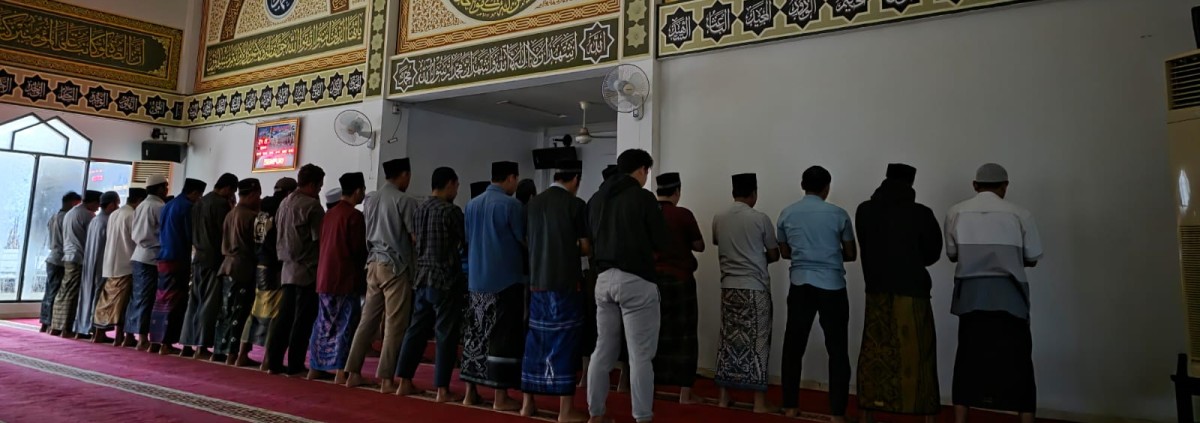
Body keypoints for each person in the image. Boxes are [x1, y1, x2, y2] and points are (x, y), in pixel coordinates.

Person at [944, 163, 1042, 423]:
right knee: (1020, 363)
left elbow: (952, 254)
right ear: (1005, 186)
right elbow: (1032, 257)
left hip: (971, 297)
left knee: (967, 360)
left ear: (975, 185)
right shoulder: (1021, 214)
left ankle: (960, 419)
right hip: (1010, 297)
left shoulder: (955, 212)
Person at [854, 164, 943, 422]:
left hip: (876, 290)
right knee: (919, 355)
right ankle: (923, 411)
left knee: (875, 353)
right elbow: (932, 254)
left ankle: (868, 410)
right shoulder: (921, 213)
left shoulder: (865, 210)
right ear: (910, 184)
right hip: (912, 293)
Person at [587, 149, 667, 423]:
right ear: (642, 170)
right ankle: (642, 416)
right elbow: (661, 240)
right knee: (640, 354)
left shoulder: (597, 199)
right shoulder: (642, 198)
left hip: (603, 280)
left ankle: (596, 414)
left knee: (603, 350)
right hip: (636, 280)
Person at [777, 166, 856, 422]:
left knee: (793, 346)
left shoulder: (787, 213)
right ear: (827, 187)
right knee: (837, 349)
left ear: (803, 185)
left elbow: (785, 252)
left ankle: (790, 406)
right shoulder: (839, 214)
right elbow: (851, 253)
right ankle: (837, 413)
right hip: (832, 285)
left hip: (800, 283)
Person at [520, 160, 590, 422]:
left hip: (537, 283)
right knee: (564, 342)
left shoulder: (533, 204)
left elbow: (526, 240)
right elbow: (586, 247)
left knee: (535, 341)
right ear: (576, 179)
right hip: (565, 284)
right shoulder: (575, 205)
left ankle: (527, 404)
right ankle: (565, 410)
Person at [345, 158, 417, 392]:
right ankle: (386, 379)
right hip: (395, 266)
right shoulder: (404, 200)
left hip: (373, 264)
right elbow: (414, 236)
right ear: (404, 175)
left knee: (367, 320)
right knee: (395, 323)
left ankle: (352, 372)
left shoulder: (370, 199)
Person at [396, 167, 466, 403]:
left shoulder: (420, 209)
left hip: (422, 277)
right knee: (445, 334)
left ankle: (404, 381)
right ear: (450, 184)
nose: (457, 190)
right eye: (456, 185)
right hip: (445, 279)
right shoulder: (451, 211)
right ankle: (442, 390)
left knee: (415, 330)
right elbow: (465, 240)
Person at [462, 161, 527, 411]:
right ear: (510, 178)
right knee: (503, 338)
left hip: (476, 281)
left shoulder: (471, 205)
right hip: (505, 281)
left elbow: (468, 239)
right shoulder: (512, 205)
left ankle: (470, 393)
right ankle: (500, 398)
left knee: (475, 335)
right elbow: (523, 240)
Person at [712, 173, 780, 413]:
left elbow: (717, 242)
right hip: (755, 288)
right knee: (759, 341)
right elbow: (774, 254)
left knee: (727, 339)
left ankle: (723, 397)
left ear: (733, 193)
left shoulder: (719, 218)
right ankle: (759, 403)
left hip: (728, 287)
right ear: (754, 193)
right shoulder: (760, 219)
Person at [650, 172, 705, 404]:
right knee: (685, 335)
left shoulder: (648, 213)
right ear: (677, 191)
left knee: (654, 334)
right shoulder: (683, 215)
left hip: (652, 281)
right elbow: (699, 245)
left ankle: (650, 387)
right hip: (680, 281)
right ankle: (685, 393)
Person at [309, 172, 367, 382]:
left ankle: (315, 367)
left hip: (324, 277)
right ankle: (342, 371)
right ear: (358, 191)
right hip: (345, 279)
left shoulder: (329, 215)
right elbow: (358, 250)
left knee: (323, 324)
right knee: (345, 325)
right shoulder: (354, 216)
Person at [234, 177, 296, 368]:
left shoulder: (262, 208)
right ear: (289, 192)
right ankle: (268, 359)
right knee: (275, 313)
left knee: (255, 310)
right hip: (274, 266)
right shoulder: (283, 208)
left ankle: (242, 354)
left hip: (259, 263)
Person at [269, 164, 325, 375]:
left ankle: (274, 362)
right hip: (307, 269)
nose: (319, 190)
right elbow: (319, 239)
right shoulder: (312, 206)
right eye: (319, 186)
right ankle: (295, 364)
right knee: (302, 320)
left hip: (286, 268)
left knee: (283, 319)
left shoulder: (284, 202)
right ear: (311, 184)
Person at [181, 173, 237, 360]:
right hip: (213, 258)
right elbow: (224, 233)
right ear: (227, 188)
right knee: (209, 303)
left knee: (194, 301)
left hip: (198, 256)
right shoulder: (220, 204)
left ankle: (187, 343)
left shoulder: (199, 202)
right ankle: (202, 345)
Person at [150, 178, 207, 355]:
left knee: (161, 299)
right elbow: (190, 234)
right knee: (174, 301)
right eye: (199, 195)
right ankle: (166, 343)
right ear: (195, 193)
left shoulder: (169, 205)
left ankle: (155, 342)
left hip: (163, 256)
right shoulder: (187, 207)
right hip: (178, 257)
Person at [213, 178, 263, 365]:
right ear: (252, 194)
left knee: (226, 311)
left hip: (227, 265)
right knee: (240, 312)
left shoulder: (231, 213)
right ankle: (234, 354)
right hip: (243, 267)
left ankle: (219, 350)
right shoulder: (252, 217)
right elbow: (257, 246)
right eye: (258, 195)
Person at [95, 188, 147, 346]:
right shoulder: (132, 215)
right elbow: (138, 238)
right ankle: (121, 336)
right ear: (139, 201)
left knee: (107, 300)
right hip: (126, 263)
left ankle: (99, 333)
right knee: (123, 303)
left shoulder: (115, 214)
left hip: (110, 263)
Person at [51, 190, 101, 338]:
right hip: (78, 257)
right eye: (98, 204)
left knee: (64, 292)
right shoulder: (88, 215)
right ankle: (67, 328)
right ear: (93, 202)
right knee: (72, 294)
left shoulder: (71, 212)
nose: (98, 207)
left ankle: (56, 326)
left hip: (68, 256)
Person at [129, 176, 169, 351]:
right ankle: (143, 338)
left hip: (138, 255)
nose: (166, 190)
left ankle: (134, 335)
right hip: (151, 257)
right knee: (148, 298)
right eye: (165, 187)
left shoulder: (142, 205)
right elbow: (164, 233)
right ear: (159, 189)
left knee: (138, 297)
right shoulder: (159, 206)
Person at [74, 191, 120, 341]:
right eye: (117, 204)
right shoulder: (108, 221)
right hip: (102, 263)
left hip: (90, 262)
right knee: (99, 296)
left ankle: (83, 327)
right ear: (111, 204)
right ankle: (97, 329)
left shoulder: (95, 220)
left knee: (87, 294)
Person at [40, 191, 81, 333]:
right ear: (73, 203)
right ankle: (51, 322)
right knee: (58, 292)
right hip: (60, 259)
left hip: (52, 257)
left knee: (50, 291)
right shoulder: (67, 218)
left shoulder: (54, 217)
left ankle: (45, 322)